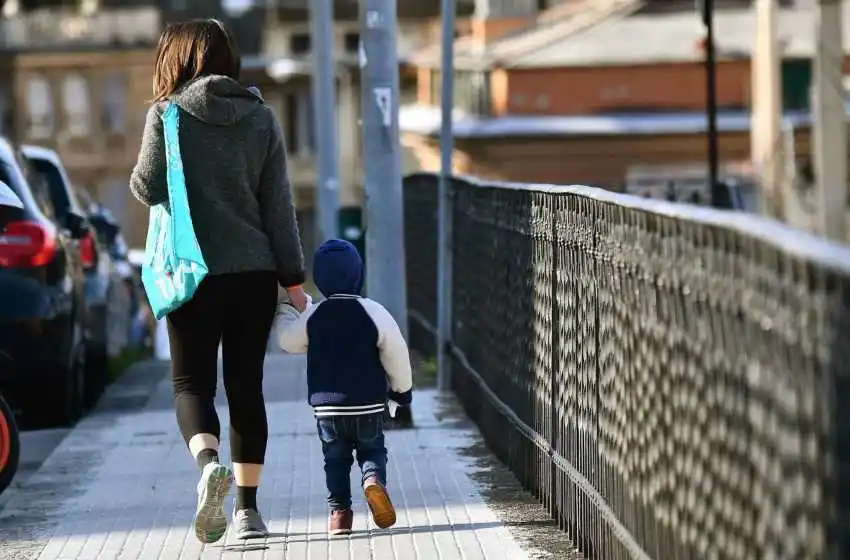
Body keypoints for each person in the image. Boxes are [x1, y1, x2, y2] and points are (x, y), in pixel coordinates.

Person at [129, 19, 309, 543]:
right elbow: (280, 208)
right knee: (246, 389)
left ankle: (209, 465)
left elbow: (145, 185)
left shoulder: (166, 114)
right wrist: (293, 280)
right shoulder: (261, 118)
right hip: (253, 275)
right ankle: (249, 513)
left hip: (192, 271)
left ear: (176, 59)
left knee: (191, 384)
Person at [277, 239, 413, 535]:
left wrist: (289, 311)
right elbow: (397, 352)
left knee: (335, 461)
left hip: (328, 410)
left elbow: (287, 341)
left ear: (320, 279)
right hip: (369, 404)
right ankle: (373, 481)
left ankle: (339, 515)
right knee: (372, 450)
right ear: (359, 274)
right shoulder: (373, 312)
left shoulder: (315, 316)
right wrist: (402, 392)